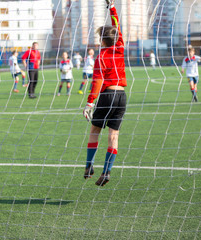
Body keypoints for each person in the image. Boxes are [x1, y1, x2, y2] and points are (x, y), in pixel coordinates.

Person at [82, 0, 127, 187]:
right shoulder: (120, 47)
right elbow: (116, 25)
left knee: (95, 130)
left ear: (102, 40)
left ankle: (89, 164)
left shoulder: (101, 56)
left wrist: (90, 103)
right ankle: (107, 171)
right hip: (122, 97)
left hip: (107, 96)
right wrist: (112, 8)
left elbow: (97, 82)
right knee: (113, 135)